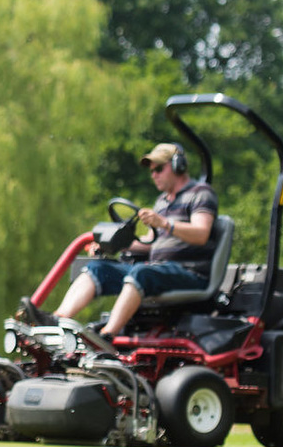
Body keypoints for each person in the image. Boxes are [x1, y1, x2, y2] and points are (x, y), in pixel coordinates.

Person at [20, 142, 216, 339]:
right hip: (158, 271)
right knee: (98, 268)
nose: (153, 174)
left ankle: (107, 335)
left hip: (189, 273)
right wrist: (114, 245)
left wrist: (164, 223)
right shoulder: (162, 201)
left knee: (142, 272)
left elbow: (201, 233)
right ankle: (57, 321)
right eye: (151, 170)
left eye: (158, 168)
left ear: (177, 166)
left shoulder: (200, 193)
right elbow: (150, 242)